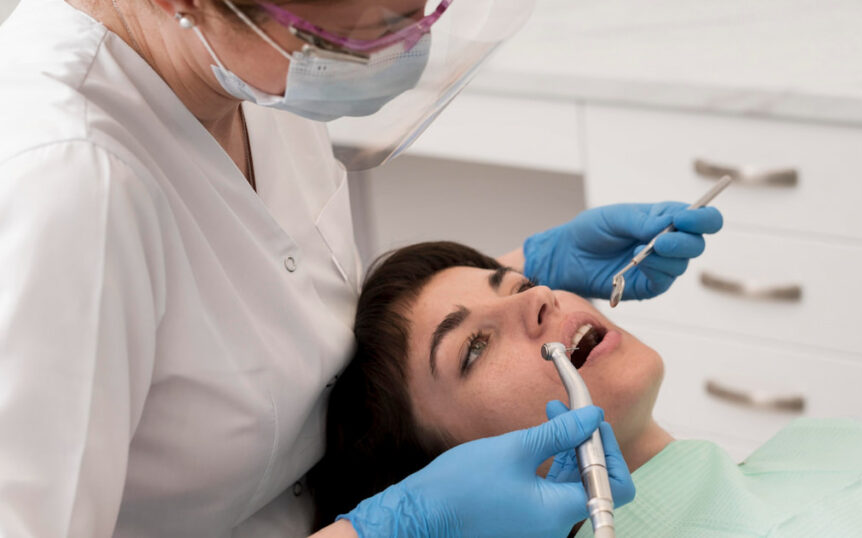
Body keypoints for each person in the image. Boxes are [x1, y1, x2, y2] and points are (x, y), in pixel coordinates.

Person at [0, 0, 727, 536]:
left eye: (413, 13)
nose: (400, 47)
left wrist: (513, 271)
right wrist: (389, 528)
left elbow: (264, 314)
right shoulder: (64, 184)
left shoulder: (254, 69)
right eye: (354, 37)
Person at [310, 241, 862, 537]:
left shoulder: (832, 442)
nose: (538, 303)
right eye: (473, 346)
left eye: (522, 284)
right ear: (449, 477)